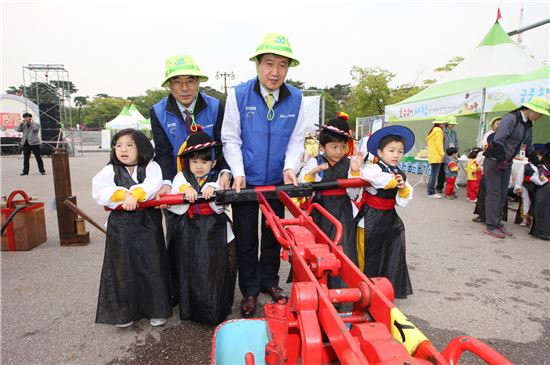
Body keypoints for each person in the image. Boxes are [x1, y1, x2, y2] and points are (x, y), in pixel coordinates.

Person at [221, 32, 306, 317]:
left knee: (273, 236)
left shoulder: (296, 98)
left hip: (277, 180)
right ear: (257, 64)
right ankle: (249, 290)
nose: (275, 71)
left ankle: (270, 282)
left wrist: (290, 167)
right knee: (247, 237)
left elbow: (296, 139)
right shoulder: (238, 94)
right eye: (269, 63)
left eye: (282, 65)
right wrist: (239, 172)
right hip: (247, 180)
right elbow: (231, 138)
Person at [92, 129, 172, 328]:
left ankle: (157, 309)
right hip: (121, 226)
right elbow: (99, 189)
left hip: (147, 225)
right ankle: (124, 312)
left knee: (151, 264)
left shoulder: (151, 167)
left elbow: (153, 185)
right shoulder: (110, 169)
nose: (123, 150)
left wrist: (135, 194)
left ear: (142, 147)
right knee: (122, 267)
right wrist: (121, 195)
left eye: (129, 145)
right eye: (118, 145)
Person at [168, 131, 236, 325]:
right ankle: (191, 310)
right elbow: (175, 198)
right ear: (188, 161)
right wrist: (185, 191)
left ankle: (216, 309)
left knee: (215, 271)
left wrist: (214, 191)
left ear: (213, 163)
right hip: (188, 231)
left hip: (215, 231)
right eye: (195, 161)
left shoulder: (218, 178)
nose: (199, 166)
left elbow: (223, 202)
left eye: (205, 162)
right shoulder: (181, 177)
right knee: (190, 269)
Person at [351, 125, 415, 299]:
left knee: (389, 253)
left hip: (389, 218)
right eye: (391, 150)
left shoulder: (399, 172)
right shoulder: (373, 169)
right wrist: (396, 182)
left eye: (400, 151)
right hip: (370, 218)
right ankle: (363, 291)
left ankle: (382, 290)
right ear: (380, 152)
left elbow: (405, 198)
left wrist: (402, 189)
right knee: (367, 256)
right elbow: (373, 179)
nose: (396, 155)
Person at [298, 112, 359, 288]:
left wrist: (355, 173)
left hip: (343, 210)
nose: (339, 151)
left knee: (344, 247)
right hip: (321, 210)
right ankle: (319, 287)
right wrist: (312, 174)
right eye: (334, 147)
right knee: (321, 247)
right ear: (323, 147)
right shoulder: (314, 162)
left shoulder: (350, 164)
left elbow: (354, 193)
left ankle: (341, 289)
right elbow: (303, 185)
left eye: (342, 146)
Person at [482, 97, 549, 239]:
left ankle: (496, 222)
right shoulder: (511, 118)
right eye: (540, 113)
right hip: (494, 160)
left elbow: (529, 148)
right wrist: (501, 160)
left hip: (506, 162)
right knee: (494, 193)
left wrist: (539, 164)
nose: (540, 116)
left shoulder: (527, 125)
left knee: (502, 193)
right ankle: (491, 225)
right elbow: (498, 141)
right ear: (530, 109)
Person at [529, 143, 550, 240]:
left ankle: (538, 230)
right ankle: (544, 231)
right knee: (545, 208)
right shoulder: (545, 162)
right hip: (546, 187)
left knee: (541, 207)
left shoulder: (544, 160)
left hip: (543, 187)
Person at [426, 116, 446, 198]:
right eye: (444, 123)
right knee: (434, 175)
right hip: (436, 156)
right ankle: (431, 192)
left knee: (433, 174)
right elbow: (439, 145)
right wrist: (442, 154)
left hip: (433, 155)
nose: (445, 124)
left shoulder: (433, 130)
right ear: (440, 123)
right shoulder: (438, 131)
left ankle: (430, 191)